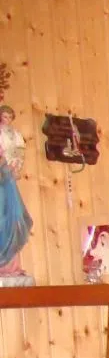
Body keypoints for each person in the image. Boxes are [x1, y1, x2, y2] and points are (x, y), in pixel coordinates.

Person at [0, 104, 33, 286]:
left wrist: (14, 166)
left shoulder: (15, 135)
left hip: (8, 176)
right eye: (4, 116)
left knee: (14, 218)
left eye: (9, 117)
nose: (7, 120)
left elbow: (18, 153)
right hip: (4, 175)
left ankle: (10, 266)